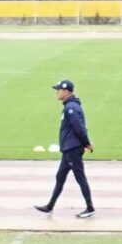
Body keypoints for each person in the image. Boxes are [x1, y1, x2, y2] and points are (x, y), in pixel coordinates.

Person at [34, 78, 94, 220]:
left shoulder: (71, 108)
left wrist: (86, 143)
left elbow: (79, 127)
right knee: (60, 177)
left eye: (59, 90)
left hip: (72, 149)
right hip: (68, 149)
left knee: (80, 178)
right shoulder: (69, 106)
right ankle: (50, 206)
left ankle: (90, 208)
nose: (57, 93)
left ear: (66, 92)